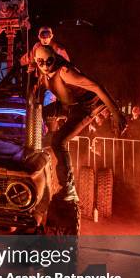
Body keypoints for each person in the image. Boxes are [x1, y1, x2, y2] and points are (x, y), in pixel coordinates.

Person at [34, 45, 126, 201]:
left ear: (54, 59)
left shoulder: (65, 72)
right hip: (68, 104)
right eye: (40, 62)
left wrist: (117, 114)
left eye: (48, 61)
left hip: (86, 107)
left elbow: (97, 87)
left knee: (59, 141)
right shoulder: (41, 72)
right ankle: (43, 143)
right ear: (37, 61)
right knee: (37, 114)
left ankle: (69, 188)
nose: (45, 65)